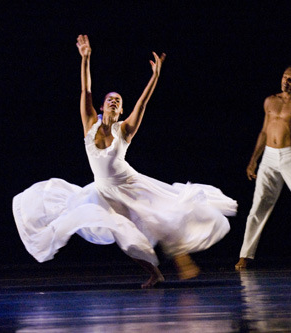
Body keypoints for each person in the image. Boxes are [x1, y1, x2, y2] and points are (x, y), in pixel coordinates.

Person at [12, 35, 237, 288]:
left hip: (130, 185)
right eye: (110, 99)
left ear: (120, 112)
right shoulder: (89, 124)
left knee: (160, 217)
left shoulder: (125, 130)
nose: (114, 101)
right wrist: (85, 58)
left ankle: (181, 260)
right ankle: (155, 272)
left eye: (118, 101)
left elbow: (142, 103)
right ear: (102, 106)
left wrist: (155, 77)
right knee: (124, 236)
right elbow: (85, 90)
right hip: (103, 191)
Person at [234, 65, 291, 269]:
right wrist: (253, 161)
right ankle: (245, 255)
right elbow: (263, 131)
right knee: (258, 205)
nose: (286, 81)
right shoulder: (270, 101)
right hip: (269, 156)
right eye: (285, 77)